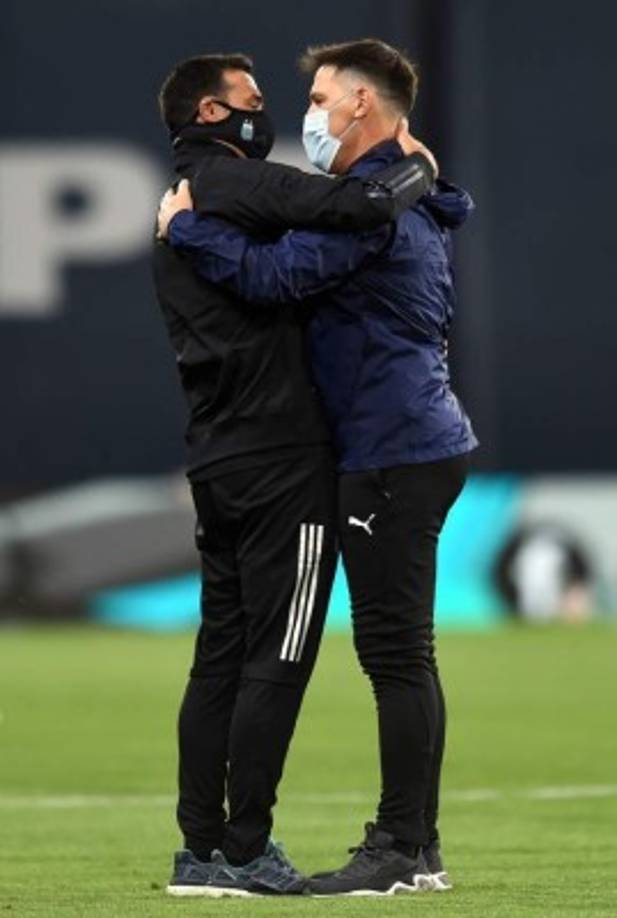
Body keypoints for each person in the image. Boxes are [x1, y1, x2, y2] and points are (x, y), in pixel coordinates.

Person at [157, 38, 478, 897]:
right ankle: (412, 843)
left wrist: (186, 227)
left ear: (363, 107)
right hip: (397, 443)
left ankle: (400, 846)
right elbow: (431, 205)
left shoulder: (364, 213)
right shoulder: (391, 202)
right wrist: (427, 178)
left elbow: (272, 277)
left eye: (322, 99)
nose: (307, 116)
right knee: (394, 653)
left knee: (394, 654)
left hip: (389, 448)